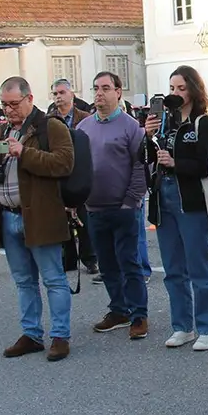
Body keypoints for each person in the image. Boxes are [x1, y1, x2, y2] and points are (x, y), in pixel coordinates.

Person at [0, 77, 76, 361]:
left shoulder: (51, 126)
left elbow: (64, 163)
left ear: (29, 99)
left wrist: (25, 152)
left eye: (14, 104)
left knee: (53, 279)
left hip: (40, 215)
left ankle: (60, 336)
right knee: (23, 281)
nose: (9, 110)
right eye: (4, 104)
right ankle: (31, 334)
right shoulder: (1, 129)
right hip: (8, 216)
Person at [145, 66, 208, 351]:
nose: (175, 94)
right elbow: (145, 159)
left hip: (189, 199)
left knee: (199, 265)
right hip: (162, 197)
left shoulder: (204, 122)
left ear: (193, 89)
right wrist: (147, 135)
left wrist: (177, 164)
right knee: (173, 269)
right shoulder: (164, 122)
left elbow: (207, 163)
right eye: (172, 88)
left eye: (181, 88)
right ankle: (182, 326)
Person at [79, 71, 150, 340]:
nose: (99, 93)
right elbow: (79, 167)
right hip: (94, 209)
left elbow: (140, 166)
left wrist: (130, 202)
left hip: (124, 209)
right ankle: (118, 310)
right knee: (107, 264)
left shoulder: (132, 127)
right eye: (96, 88)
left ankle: (139, 314)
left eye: (106, 88)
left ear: (118, 92)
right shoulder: (84, 128)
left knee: (129, 263)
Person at [50, 78, 97, 276]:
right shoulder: (49, 120)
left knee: (84, 217)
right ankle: (68, 257)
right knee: (61, 218)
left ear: (72, 94)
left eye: (62, 93)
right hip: (60, 173)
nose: (58, 97)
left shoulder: (85, 117)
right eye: (55, 94)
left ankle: (90, 258)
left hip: (81, 172)